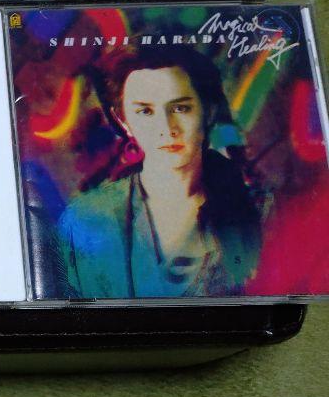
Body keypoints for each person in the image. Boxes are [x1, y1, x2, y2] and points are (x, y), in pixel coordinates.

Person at [56, 44, 262, 298]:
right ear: (123, 121)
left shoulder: (259, 210)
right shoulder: (86, 219)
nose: (166, 127)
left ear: (208, 111)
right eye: (145, 111)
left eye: (180, 108)